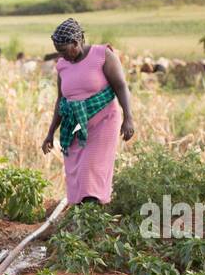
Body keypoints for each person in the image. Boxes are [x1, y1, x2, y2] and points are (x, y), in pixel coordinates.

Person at [41, 18, 135, 206]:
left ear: (76, 43)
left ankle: (91, 213)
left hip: (104, 120)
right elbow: (61, 101)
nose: (61, 55)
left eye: (63, 50)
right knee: (74, 169)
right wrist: (50, 133)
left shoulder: (103, 55)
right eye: (58, 51)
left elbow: (121, 86)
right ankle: (82, 212)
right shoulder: (62, 66)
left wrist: (129, 118)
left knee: (90, 168)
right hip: (75, 124)